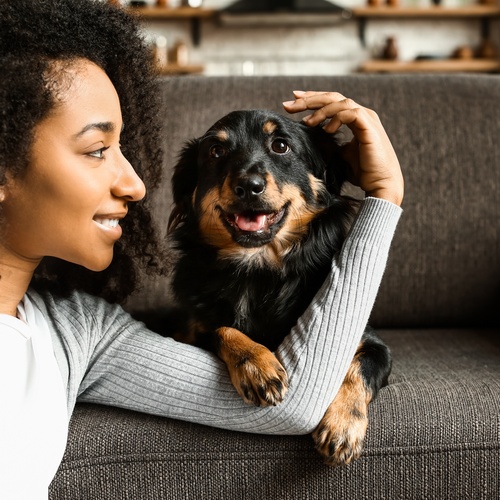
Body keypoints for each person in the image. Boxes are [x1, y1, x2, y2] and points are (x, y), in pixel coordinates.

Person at [0, 0, 403, 497]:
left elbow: (293, 403)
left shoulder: (80, 333)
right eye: (97, 150)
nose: (136, 185)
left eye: (124, 149)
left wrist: (383, 200)